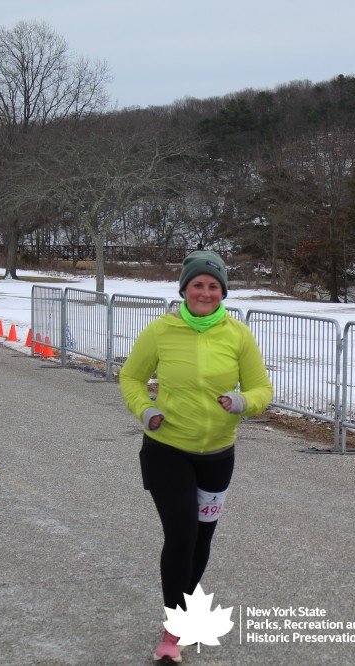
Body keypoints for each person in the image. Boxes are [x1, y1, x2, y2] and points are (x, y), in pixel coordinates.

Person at [119, 250, 273, 663]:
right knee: (182, 534)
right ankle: (174, 631)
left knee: (202, 538)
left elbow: (262, 388)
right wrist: (144, 409)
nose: (205, 292)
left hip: (218, 455)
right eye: (197, 285)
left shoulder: (238, 335)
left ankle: (183, 616)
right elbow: (131, 376)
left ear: (223, 292)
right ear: (184, 289)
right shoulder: (161, 331)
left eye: (213, 286)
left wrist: (243, 402)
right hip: (167, 448)